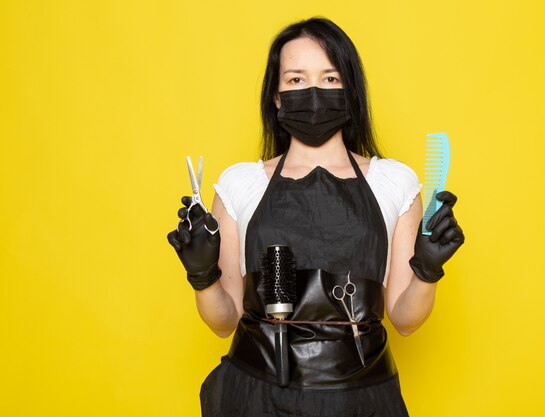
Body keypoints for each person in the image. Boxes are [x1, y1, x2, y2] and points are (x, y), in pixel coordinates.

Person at [167, 17, 465, 417]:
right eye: (295, 80)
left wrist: (427, 269)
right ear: (275, 96)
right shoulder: (241, 184)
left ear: (350, 91)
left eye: (329, 79)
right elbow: (223, 323)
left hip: (360, 401)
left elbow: (405, 320)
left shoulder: (393, 183)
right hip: (256, 398)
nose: (312, 92)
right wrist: (203, 276)